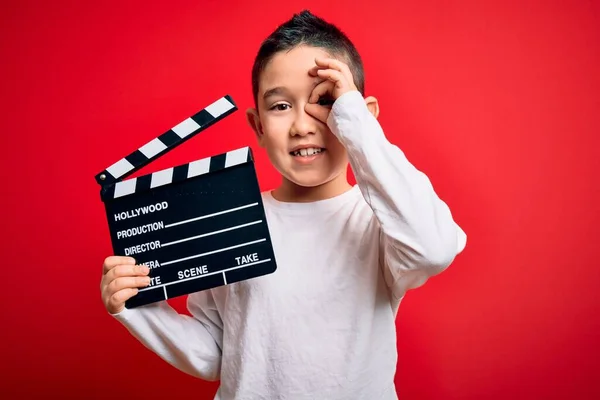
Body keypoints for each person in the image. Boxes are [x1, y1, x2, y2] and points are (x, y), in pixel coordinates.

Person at [100, 10, 467, 400]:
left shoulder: (378, 221)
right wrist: (136, 308)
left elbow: (433, 249)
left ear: (361, 116)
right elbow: (214, 355)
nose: (302, 125)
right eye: (280, 107)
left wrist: (355, 123)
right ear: (257, 126)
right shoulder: (231, 222)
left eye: (325, 101)